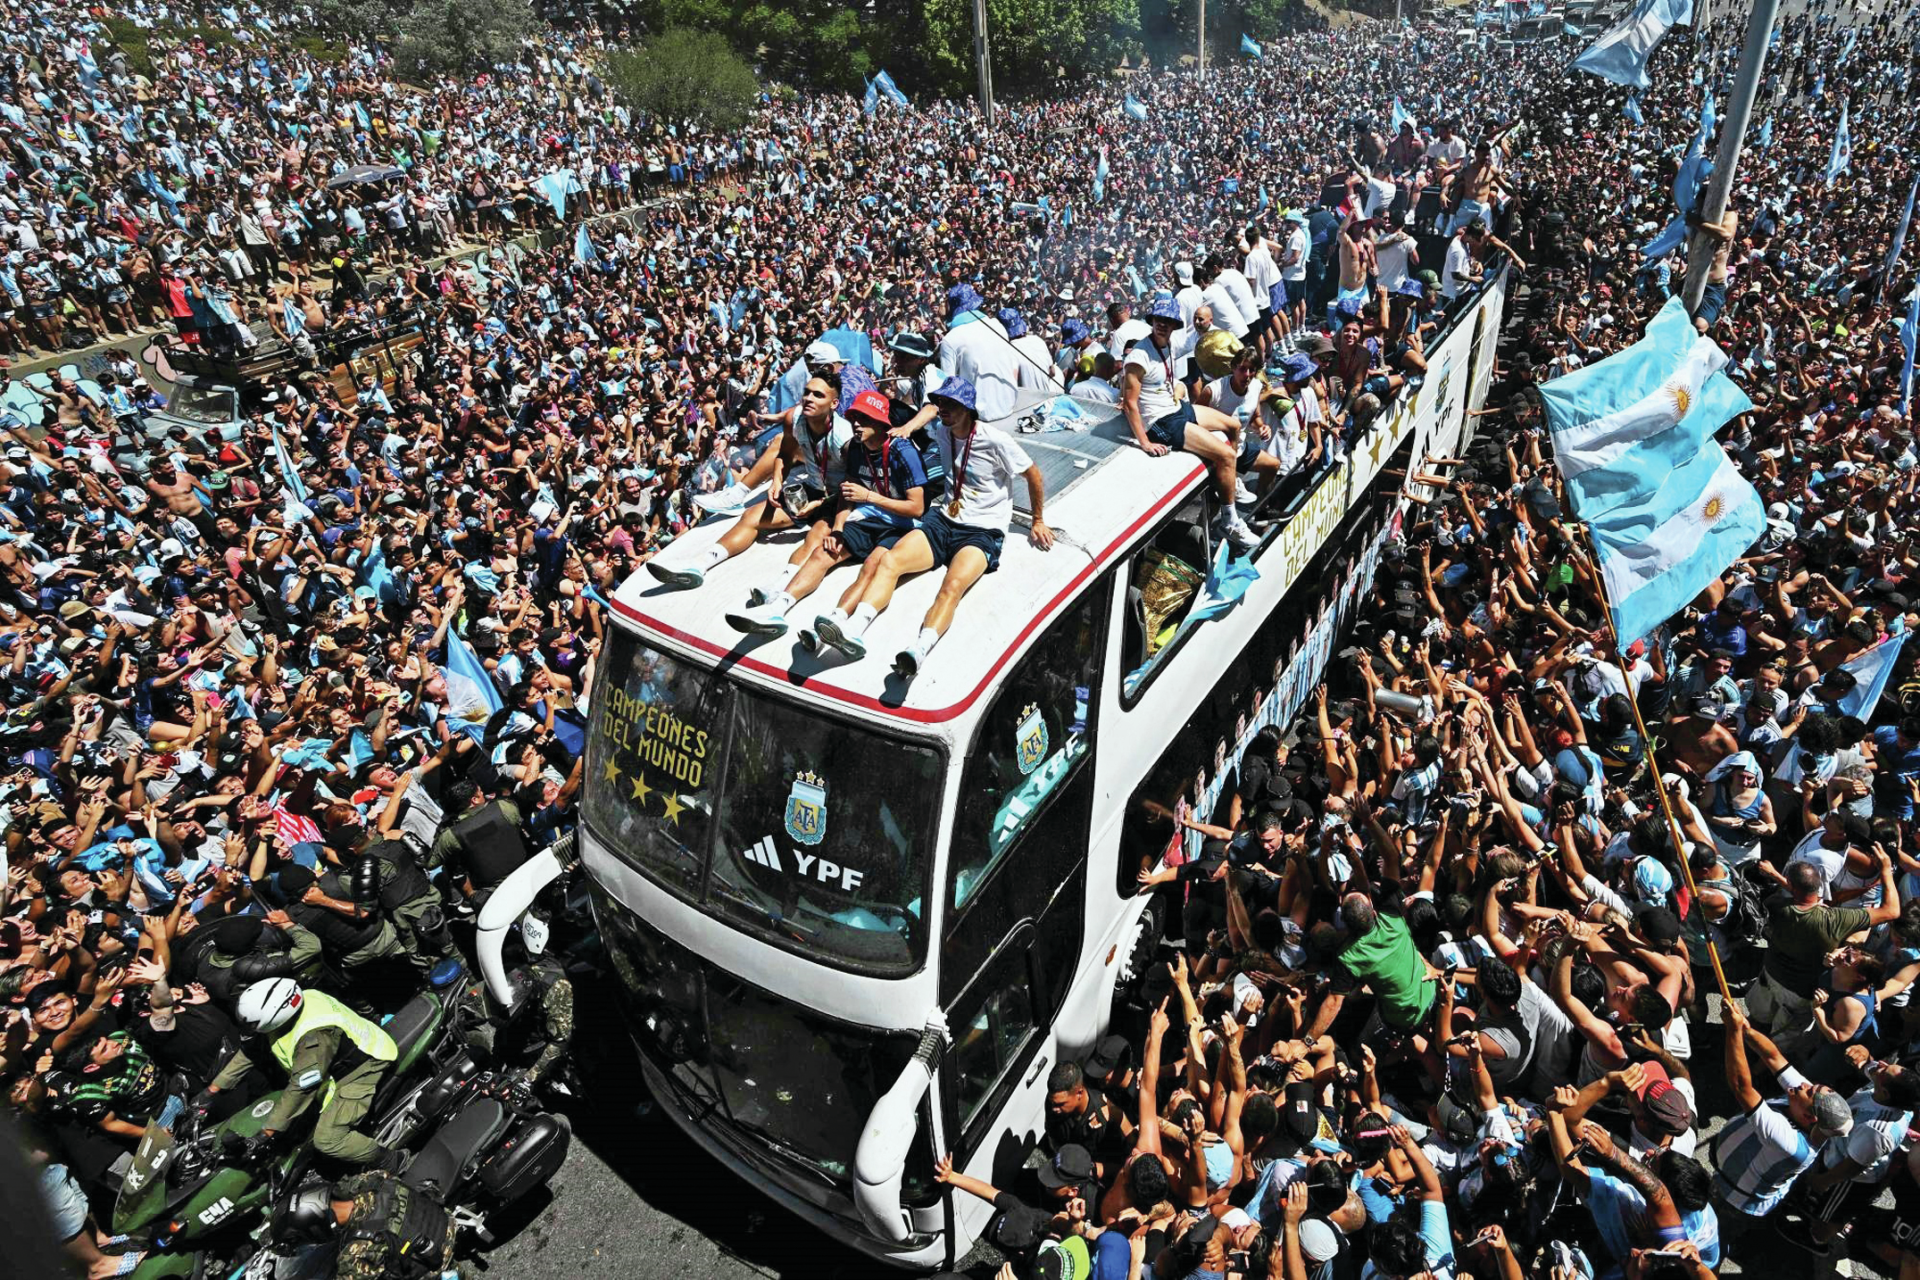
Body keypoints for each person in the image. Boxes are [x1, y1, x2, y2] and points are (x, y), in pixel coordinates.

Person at [807, 377, 1052, 677]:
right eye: (941, 402)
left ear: (967, 408)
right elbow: (927, 413)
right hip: (944, 520)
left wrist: (1038, 519)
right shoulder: (942, 431)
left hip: (981, 530)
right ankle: (856, 630)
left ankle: (919, 649)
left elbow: (1033, 475)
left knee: (952, 585)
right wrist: (908, 427)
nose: (943, 409)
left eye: (950, 404)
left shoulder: (995, 440)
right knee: (890, 561)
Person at [724, 388, 927, 637]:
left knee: (873, 566)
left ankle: (839, 623)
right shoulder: (856, 447)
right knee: (823, 551)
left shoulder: (903, 452)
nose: (856, 424)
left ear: (879, 422)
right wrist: (839, 529)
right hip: (867, 516)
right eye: (853, 418)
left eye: (863, 419)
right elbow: (847, 492)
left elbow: (917, 508)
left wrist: (869, 497)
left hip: (900, 526)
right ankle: (777, 610)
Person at [647, 373, 851, 589]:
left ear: (834, 403)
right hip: (812, 489)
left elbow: (856, 486)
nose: (809, 398)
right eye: (807, 392)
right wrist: (777, 481)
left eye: (818, 395)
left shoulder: (844, 438)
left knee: (817, 536)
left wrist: (820, 505)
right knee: (751, 516)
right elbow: (785, 454)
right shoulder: (795, 418)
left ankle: (778, 591)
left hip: (839, 500)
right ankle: (698, 566)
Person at [203, 978, 400, 1168]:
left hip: (362, 1069)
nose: (249, 1030)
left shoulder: (313, 1036)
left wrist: (267, 1133)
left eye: (253, 1025)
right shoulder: (295, 1001)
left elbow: (302, 1086)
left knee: (328, 1140)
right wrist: (210, 1092)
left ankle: (390, 1160)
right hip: (338, 1062)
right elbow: (252, 1050)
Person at [1119, 299, 1260, 551]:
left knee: (1234, 426)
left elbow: (1202, 334)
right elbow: (1130, 403)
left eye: (1167, 321)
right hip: (1161, 421)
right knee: (1226, 454)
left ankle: (1233, 483)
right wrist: (1146, 442)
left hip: (1176, 408)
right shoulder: (1139, 356)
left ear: (1174, 325)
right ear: (1152, 321)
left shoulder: (1168, 344)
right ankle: (1229, 520)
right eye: (1158, 320)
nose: (1162, 325)